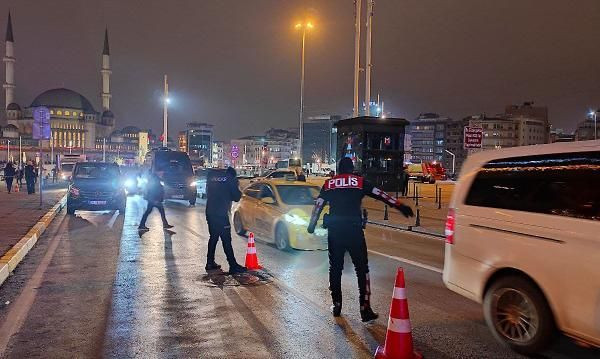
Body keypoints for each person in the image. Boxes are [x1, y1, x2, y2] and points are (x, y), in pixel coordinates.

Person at [308, 157, 414, 322]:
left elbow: (318, 205)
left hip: (335, 233)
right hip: (354, 232)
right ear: (351, 169)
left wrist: (312, 225)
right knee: (362, 269)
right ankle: (365, 308)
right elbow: (381, 195)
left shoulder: (329, 184)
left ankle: (336, 305)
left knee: (335, 269)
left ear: (338, 169)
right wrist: (400, 206)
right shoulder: (359, 182)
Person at [205, 167, 247, 274]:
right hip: (221, 214)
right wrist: (236, 186)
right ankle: (233, 266)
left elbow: (209, 192)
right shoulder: (230, 179)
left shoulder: (211, 177)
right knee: (226, 240)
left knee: (213, 237)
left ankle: (209, 263)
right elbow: (237, 197)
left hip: (210, 212)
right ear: (233, 174)